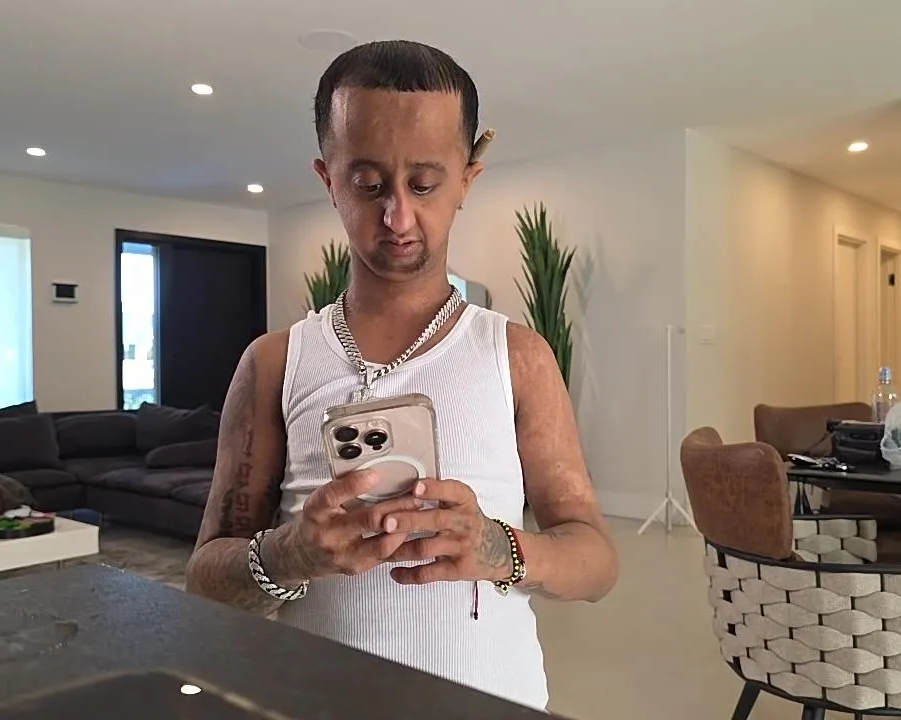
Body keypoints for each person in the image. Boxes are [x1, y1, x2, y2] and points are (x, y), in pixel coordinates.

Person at [185, 39, 618, 711]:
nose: (398, 217)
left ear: (467, 179)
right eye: (368, 184)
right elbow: (206, 579)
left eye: (424, 184)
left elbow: (595, 561)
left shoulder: (518, 356)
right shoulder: (274, 363)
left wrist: (498, 548)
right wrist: (290, 553)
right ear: (328, 179)